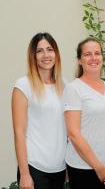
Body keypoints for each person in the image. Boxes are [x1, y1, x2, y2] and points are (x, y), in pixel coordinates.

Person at [63, 37, 105, 189]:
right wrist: (98, 167)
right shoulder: (74, 88)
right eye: (87, 54)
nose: (93, 58)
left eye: (97, 53)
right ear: (79, 60)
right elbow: (73, 133)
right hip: (83, 168)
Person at [12, 32, 67, 189]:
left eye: (49, 49)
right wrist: (24, 174)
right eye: (39, 51)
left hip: (59, 168)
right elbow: (19, 132)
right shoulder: (23, 85)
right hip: (34, 167)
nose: (46, 55)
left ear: (56, 53)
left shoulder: (64, 85)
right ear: (33, 56)